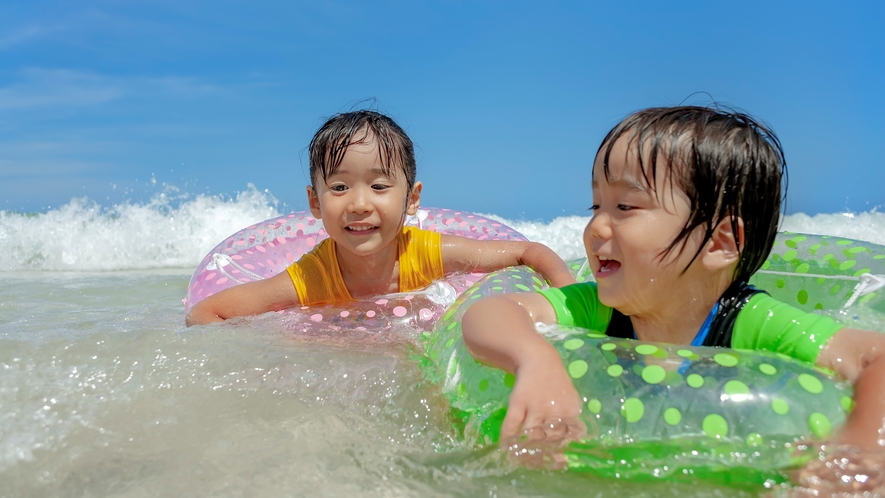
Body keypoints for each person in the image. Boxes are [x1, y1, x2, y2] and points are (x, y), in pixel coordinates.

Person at [461, 106, 885, 488]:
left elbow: (875, 357)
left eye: (625, 206)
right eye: (595, 206)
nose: (595, 228)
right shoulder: (596, 308)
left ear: (720, 242)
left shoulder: (748, 320)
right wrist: (537, 359)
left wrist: (860, 446)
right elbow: (490, 313)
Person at [186, 110, 576, 326]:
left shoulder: (428, 253)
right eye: (339, 188)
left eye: (378, 186)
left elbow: (529, 251)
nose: (358, 203)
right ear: (315, 203)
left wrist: (569, 301)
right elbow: (208, 311)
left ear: (412, 199)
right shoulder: (310, 277)